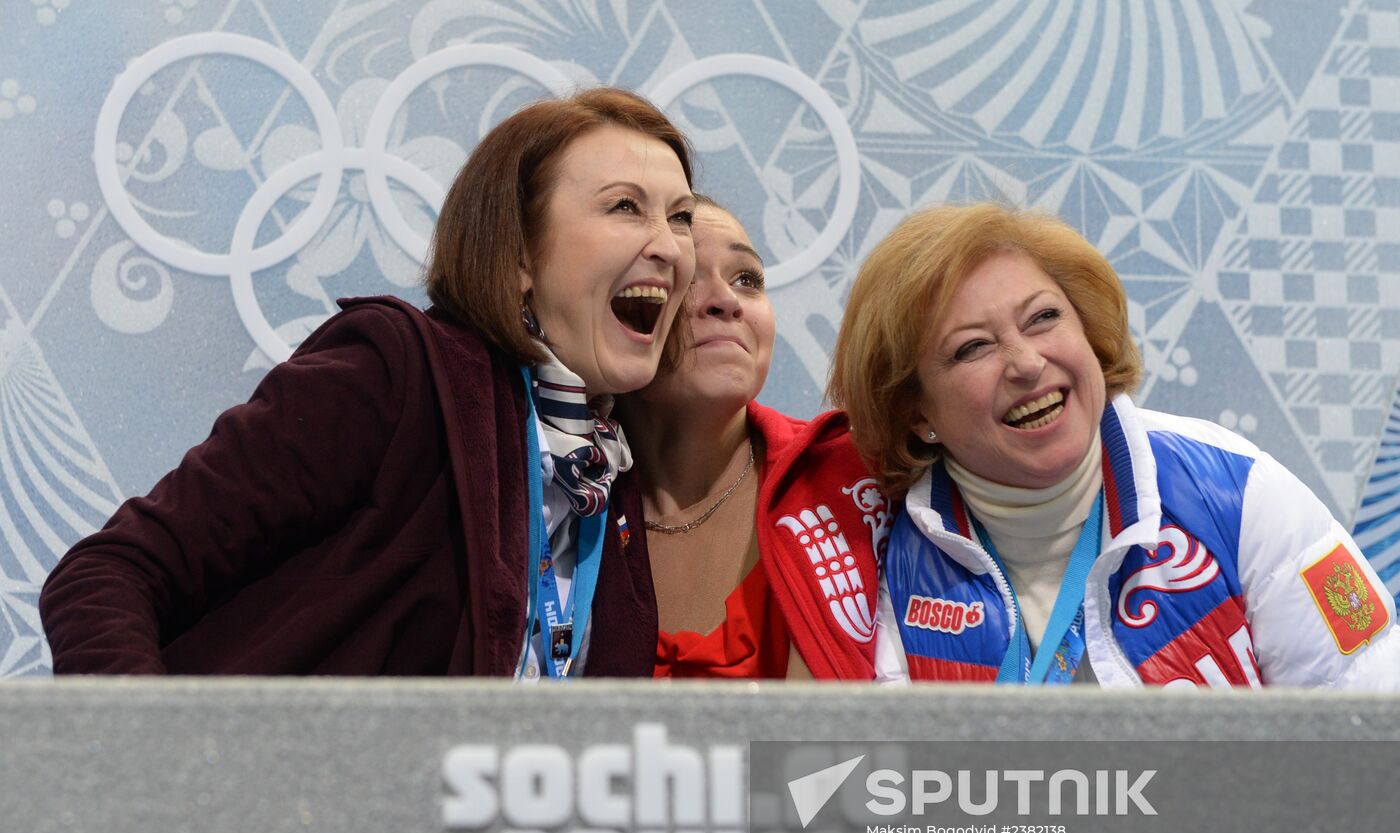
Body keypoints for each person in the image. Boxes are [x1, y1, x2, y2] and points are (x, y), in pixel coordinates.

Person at [41, 87, 697, 678]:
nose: (667, 245)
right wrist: (169, 778)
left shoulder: (613, 484)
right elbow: (106, 576)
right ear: (521, 255)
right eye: (624, 207)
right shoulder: (398, 374)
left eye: (681, 217)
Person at [828, 203, 1399, 688]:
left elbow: (1368, 736)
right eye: (974, 348)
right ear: (917, 412)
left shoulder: (1233, 487)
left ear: (1088, 331)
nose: (1027, 363)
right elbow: (890, 798)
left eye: (1044, 318)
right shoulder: (882, 560)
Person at [614, 197, 887, 679]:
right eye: (687, 276)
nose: (727, 299)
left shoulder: (858, 478)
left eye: (748, 279)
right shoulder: (557, 506)